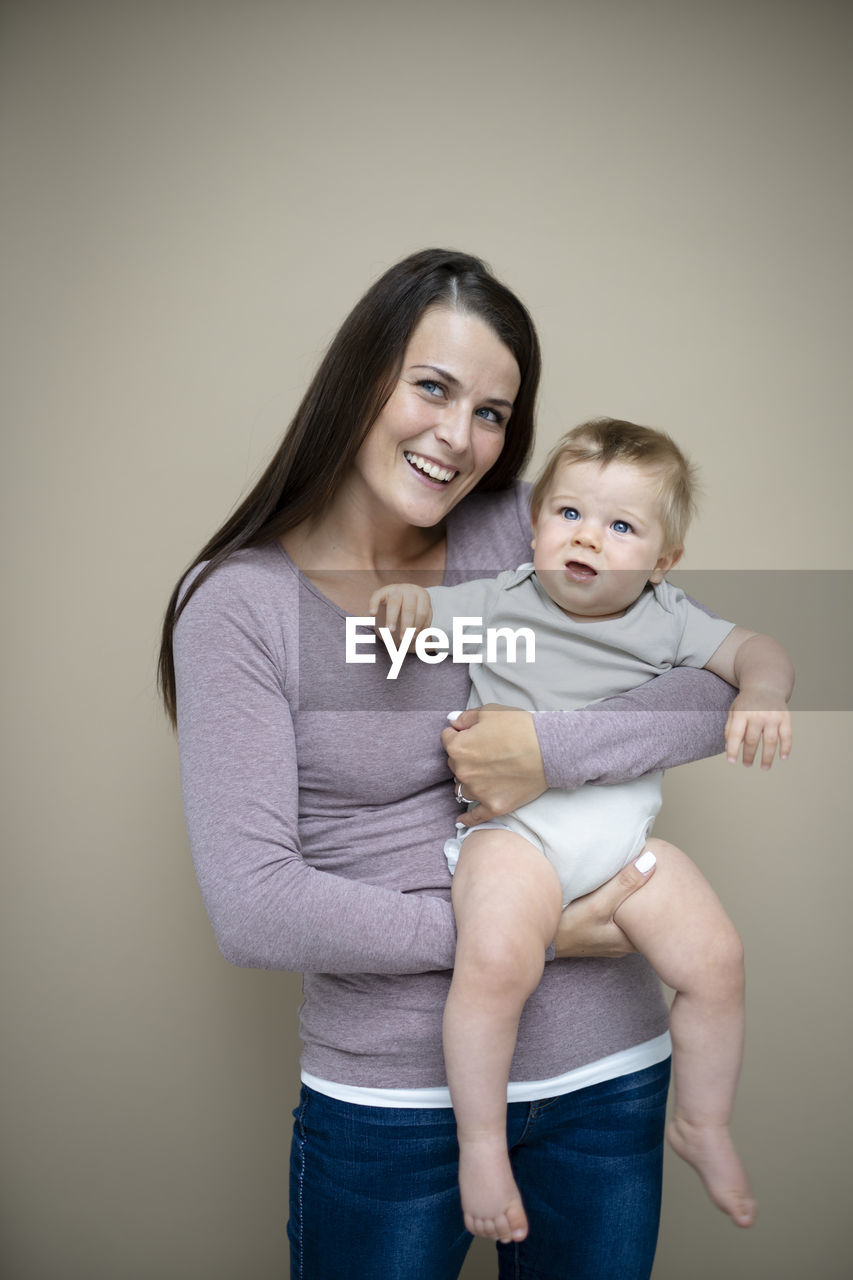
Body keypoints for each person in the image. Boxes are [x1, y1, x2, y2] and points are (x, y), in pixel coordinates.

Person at [159, 250, 742, 1280]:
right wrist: (532, 935)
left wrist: (543, 751)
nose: (457, 436)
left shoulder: (512, 538)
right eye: (432, 387)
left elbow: (716, 682)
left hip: (609, 1072)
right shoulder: (239, 606)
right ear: (362, 377)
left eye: (492, 412)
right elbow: (255, 905)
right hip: (392, 1101)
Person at [371, 418, 794, 1244]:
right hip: (515, 839)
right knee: (494, 962)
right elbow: (424, 608)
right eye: (567, 514)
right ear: (533, 528)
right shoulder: (502, 597)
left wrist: (761, 695)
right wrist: (399, 604)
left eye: (620, 527)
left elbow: (759, 649)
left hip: (622, 850)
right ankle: (481, 1143)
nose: (587, 539)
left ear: (663, 562)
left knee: (717, 963)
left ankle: (701, 1122)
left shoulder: (669, 619)